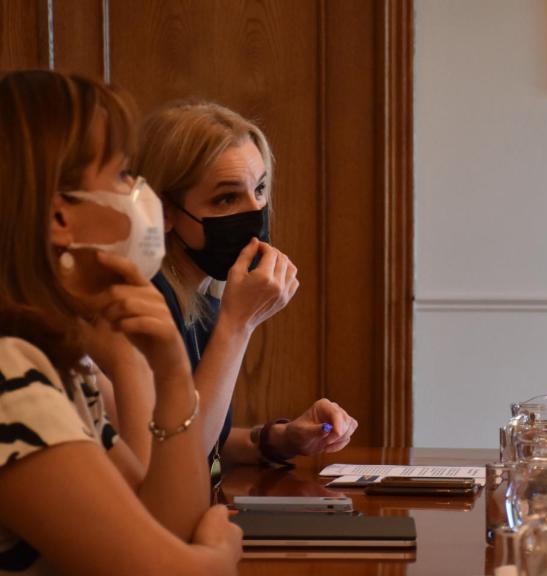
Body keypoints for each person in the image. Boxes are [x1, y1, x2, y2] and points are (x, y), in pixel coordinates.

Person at [0, 70, 241, 573]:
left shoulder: (54, 366)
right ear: (59, 219)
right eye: (124, 175)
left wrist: (169, 370)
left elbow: (161, 524)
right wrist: (217, 553)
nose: (141, 197)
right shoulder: (8, 375)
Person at [128, 101, 357, 468]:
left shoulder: (199, 297)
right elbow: (178, 456)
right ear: (164, 211)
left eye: (260, 189)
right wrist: (239, 323)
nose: (254, 213)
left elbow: (210, 436)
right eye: (227, 198)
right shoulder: (144, 302)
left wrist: (281, 438)